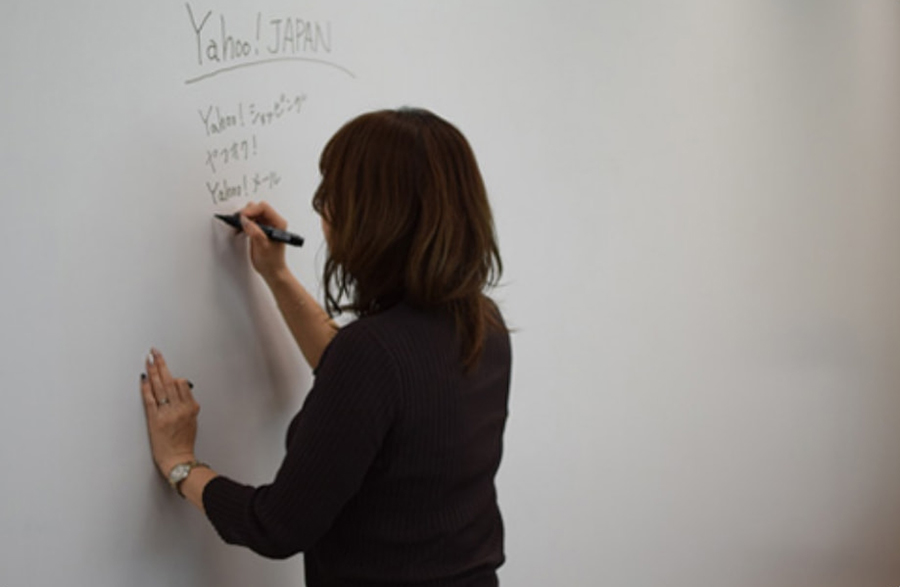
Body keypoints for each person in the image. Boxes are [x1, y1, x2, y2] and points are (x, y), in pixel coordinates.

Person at [140, 108, 512, 586]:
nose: (323, 211)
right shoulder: (483, 323)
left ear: (379, 216)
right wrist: (276, 275)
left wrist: (180, 463)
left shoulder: (373, 355)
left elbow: (275, 526)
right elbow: (375, 389)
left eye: (335, 194)